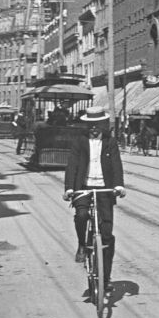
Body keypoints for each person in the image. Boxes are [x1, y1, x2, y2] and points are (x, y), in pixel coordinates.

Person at [63, 106, 126, 291]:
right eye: (90, 125)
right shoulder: (79, 142)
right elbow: (72, 165)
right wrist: (69, 188)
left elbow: (116, 164)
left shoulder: (110, 142)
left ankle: (105, 279)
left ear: (103, 124)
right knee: (81, 215)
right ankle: (82, 245)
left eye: (97, 124)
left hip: (105, 189)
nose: (94, 128)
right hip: (83, 187)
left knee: (106, 235)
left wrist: (119, 185)